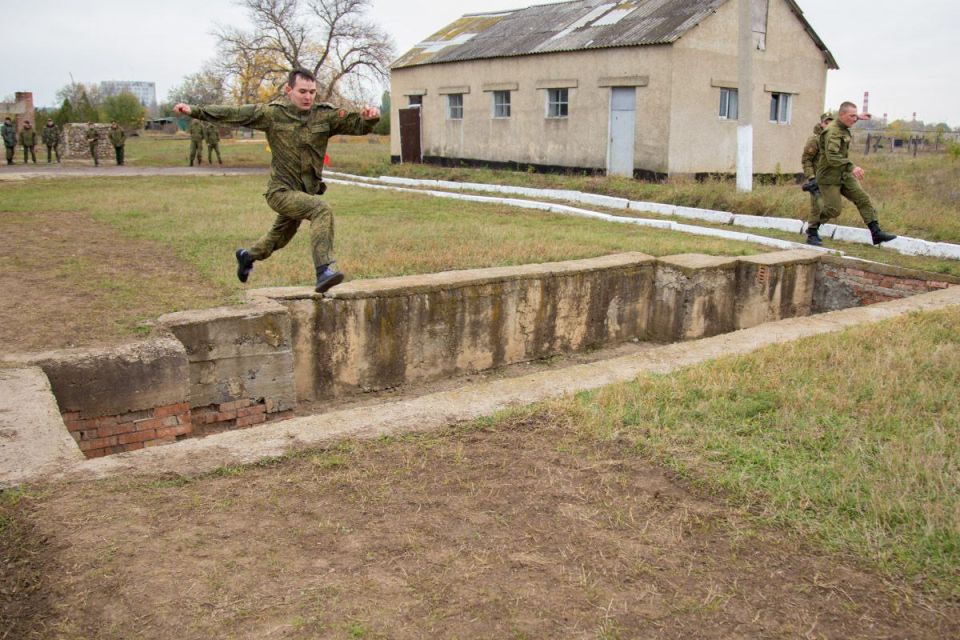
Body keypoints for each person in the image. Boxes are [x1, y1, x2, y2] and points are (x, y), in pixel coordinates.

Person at [173, 68, 380, 293]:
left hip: (303, 194)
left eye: (312, 92)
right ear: (288, 90)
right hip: (280, 192)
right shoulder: (272, 115)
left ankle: (247, 257)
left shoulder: (324, 115)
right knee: (321, 210)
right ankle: (324, 270)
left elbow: (356, 124)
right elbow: (234, 113)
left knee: (279, 238)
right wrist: (194, 111)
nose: (308, 97)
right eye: (302, 91)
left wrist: (370, 118)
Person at [815, 101, 896, 246]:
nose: (854, 119)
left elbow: (848, 117)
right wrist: (852, 167)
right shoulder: (832, 132)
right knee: (833, 210)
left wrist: (858, 116)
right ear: (841, 115)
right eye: (851, 116)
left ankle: (876, 234)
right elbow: (832, 156)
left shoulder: (843, 125)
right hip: (829, 176)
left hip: (843, 173)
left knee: (862, 198)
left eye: (855, 116)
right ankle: (812, 228)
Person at [800, 112, 832, 245]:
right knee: (816, 207)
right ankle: (812, 233)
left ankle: (814, 229)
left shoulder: (834, 139)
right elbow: (806, 160)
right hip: (817, 179)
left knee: (831, 208)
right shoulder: (815, 139)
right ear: (821, 123)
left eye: (831, 122)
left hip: (830, 179)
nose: (829, 124)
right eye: (826, 122)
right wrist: (811, 178)